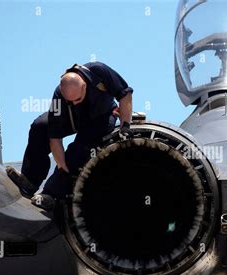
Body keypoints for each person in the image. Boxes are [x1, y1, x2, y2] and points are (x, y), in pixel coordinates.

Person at [7, 62, 133, 209]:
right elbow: (55, 139)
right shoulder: (59, 97)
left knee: (78, 151)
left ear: (84, 86)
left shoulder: (99, 71)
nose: (74, 103)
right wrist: (62, 166)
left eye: (77, 100)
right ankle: (30, 181)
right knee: (40, 127)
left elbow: (125, 93)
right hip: (73, 119)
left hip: (101, 118)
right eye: (70, 101)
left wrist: (125, 126)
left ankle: (51, 194)